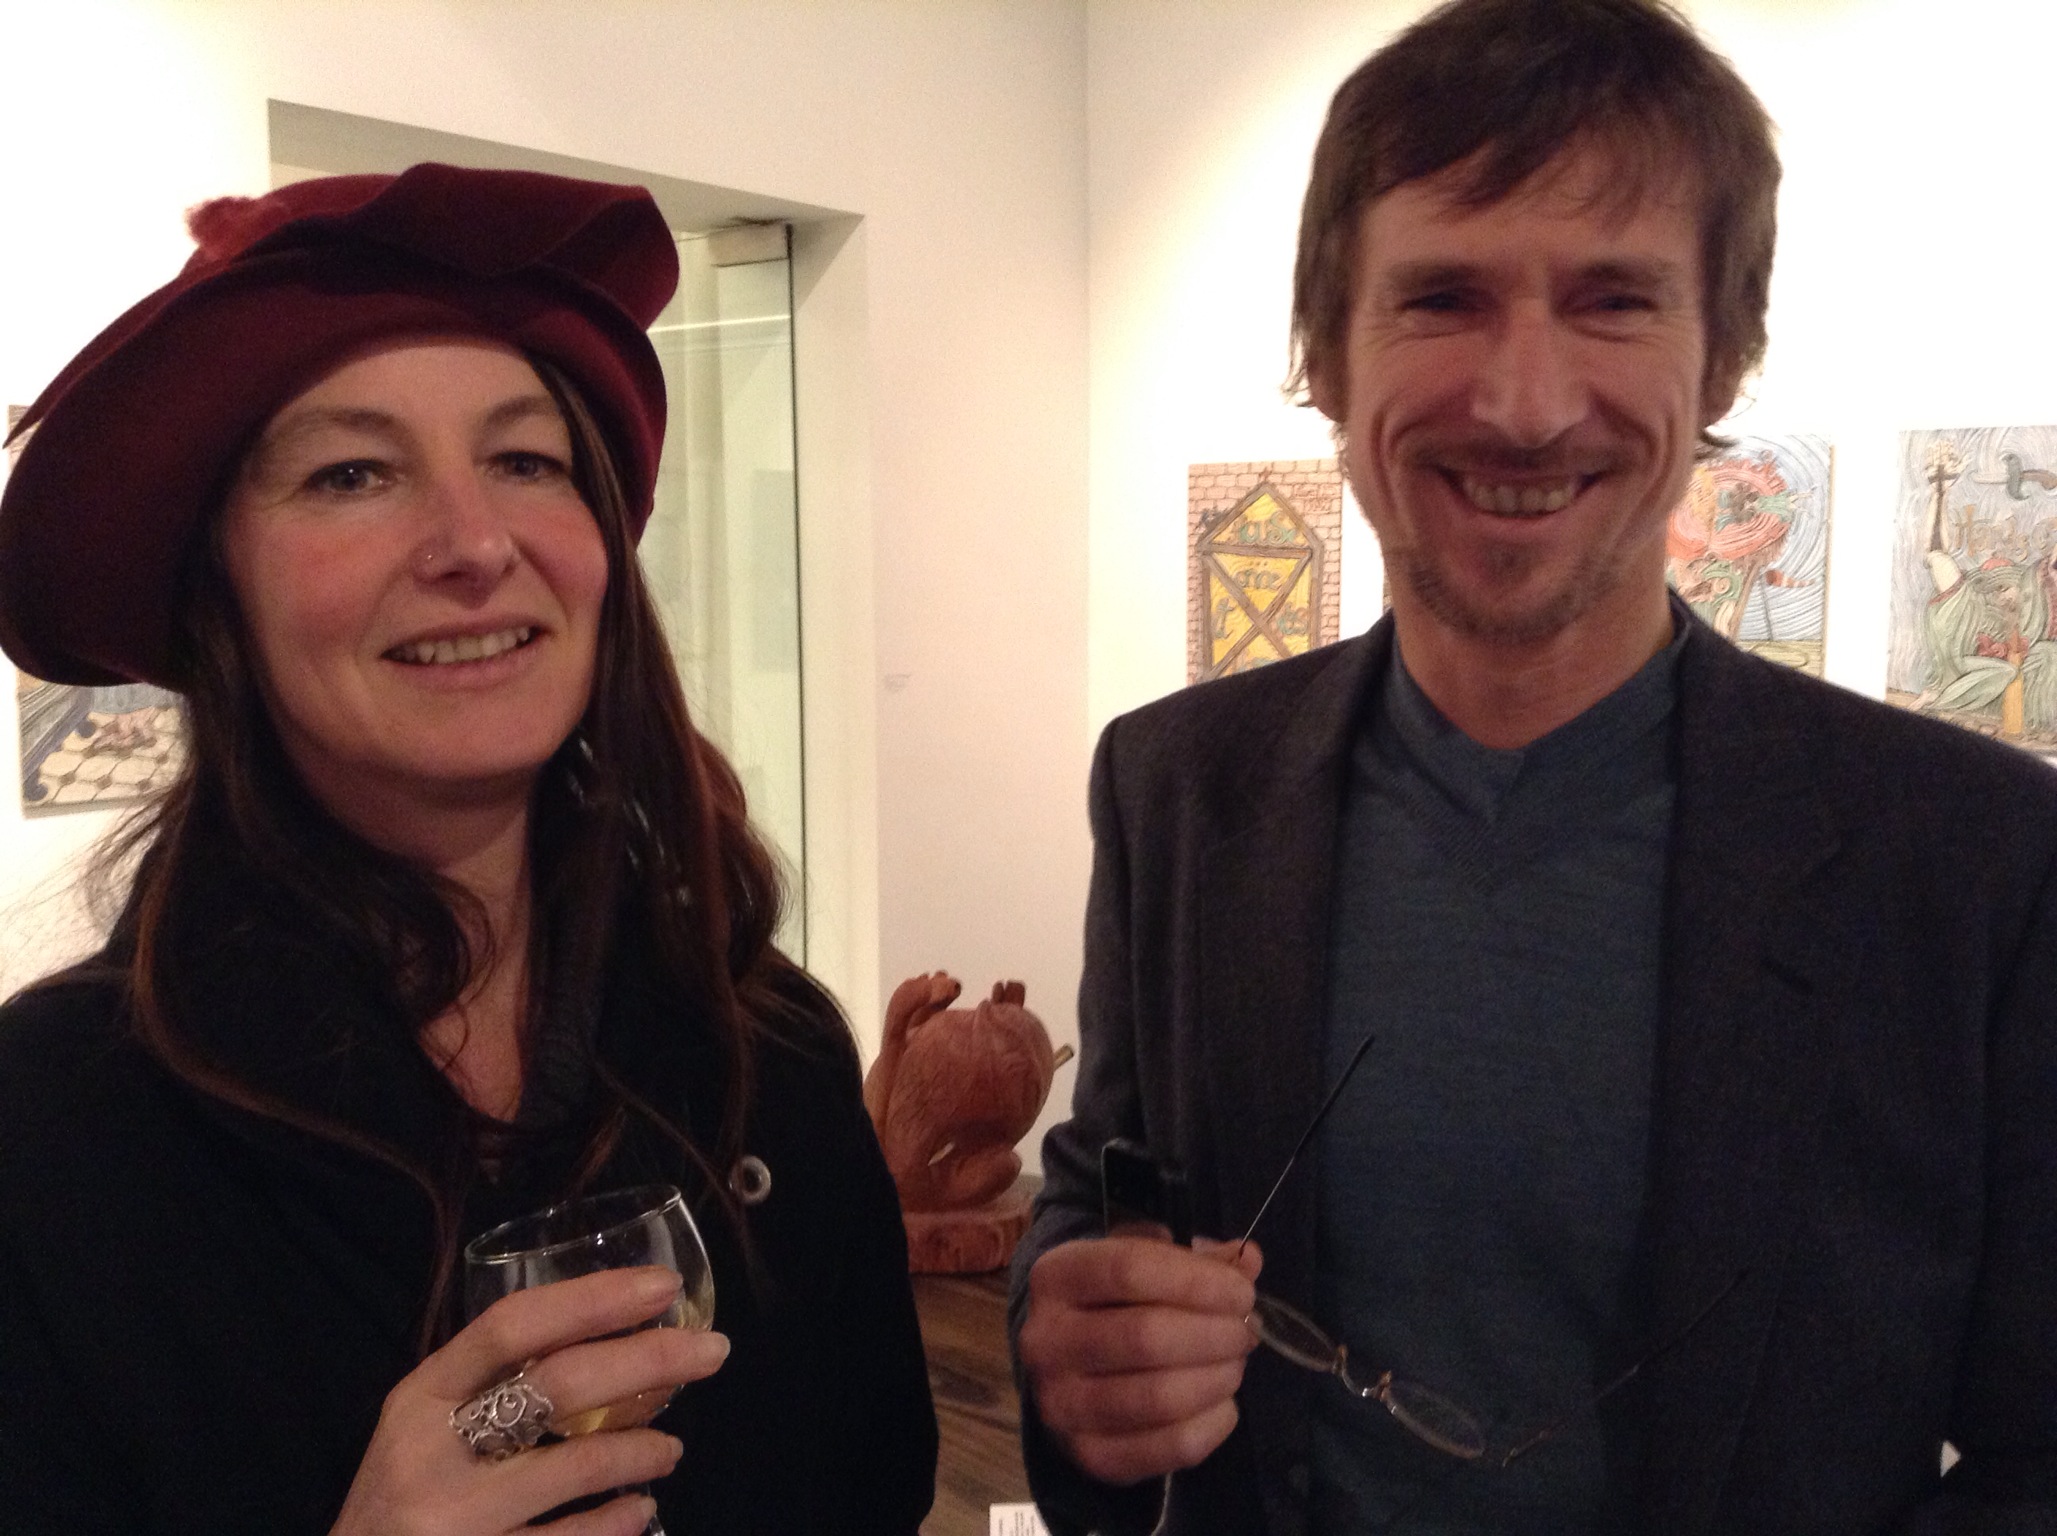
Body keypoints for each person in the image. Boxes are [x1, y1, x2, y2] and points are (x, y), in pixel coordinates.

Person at [1009, 1, 2057, 1532]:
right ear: (1322, 351)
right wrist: (1075, 1334)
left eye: (1612, 301)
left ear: (1725, 356)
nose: (1522, 403)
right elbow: (1105, 1187)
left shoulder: (1972, 858)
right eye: (1440, 297)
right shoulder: (1175, 785)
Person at [0, 164, 936, 1535]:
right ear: (218, 591)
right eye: (352, 473)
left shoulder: (765, 1047)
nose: (475, 542)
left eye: (524, 461)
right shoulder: (56, 1133)